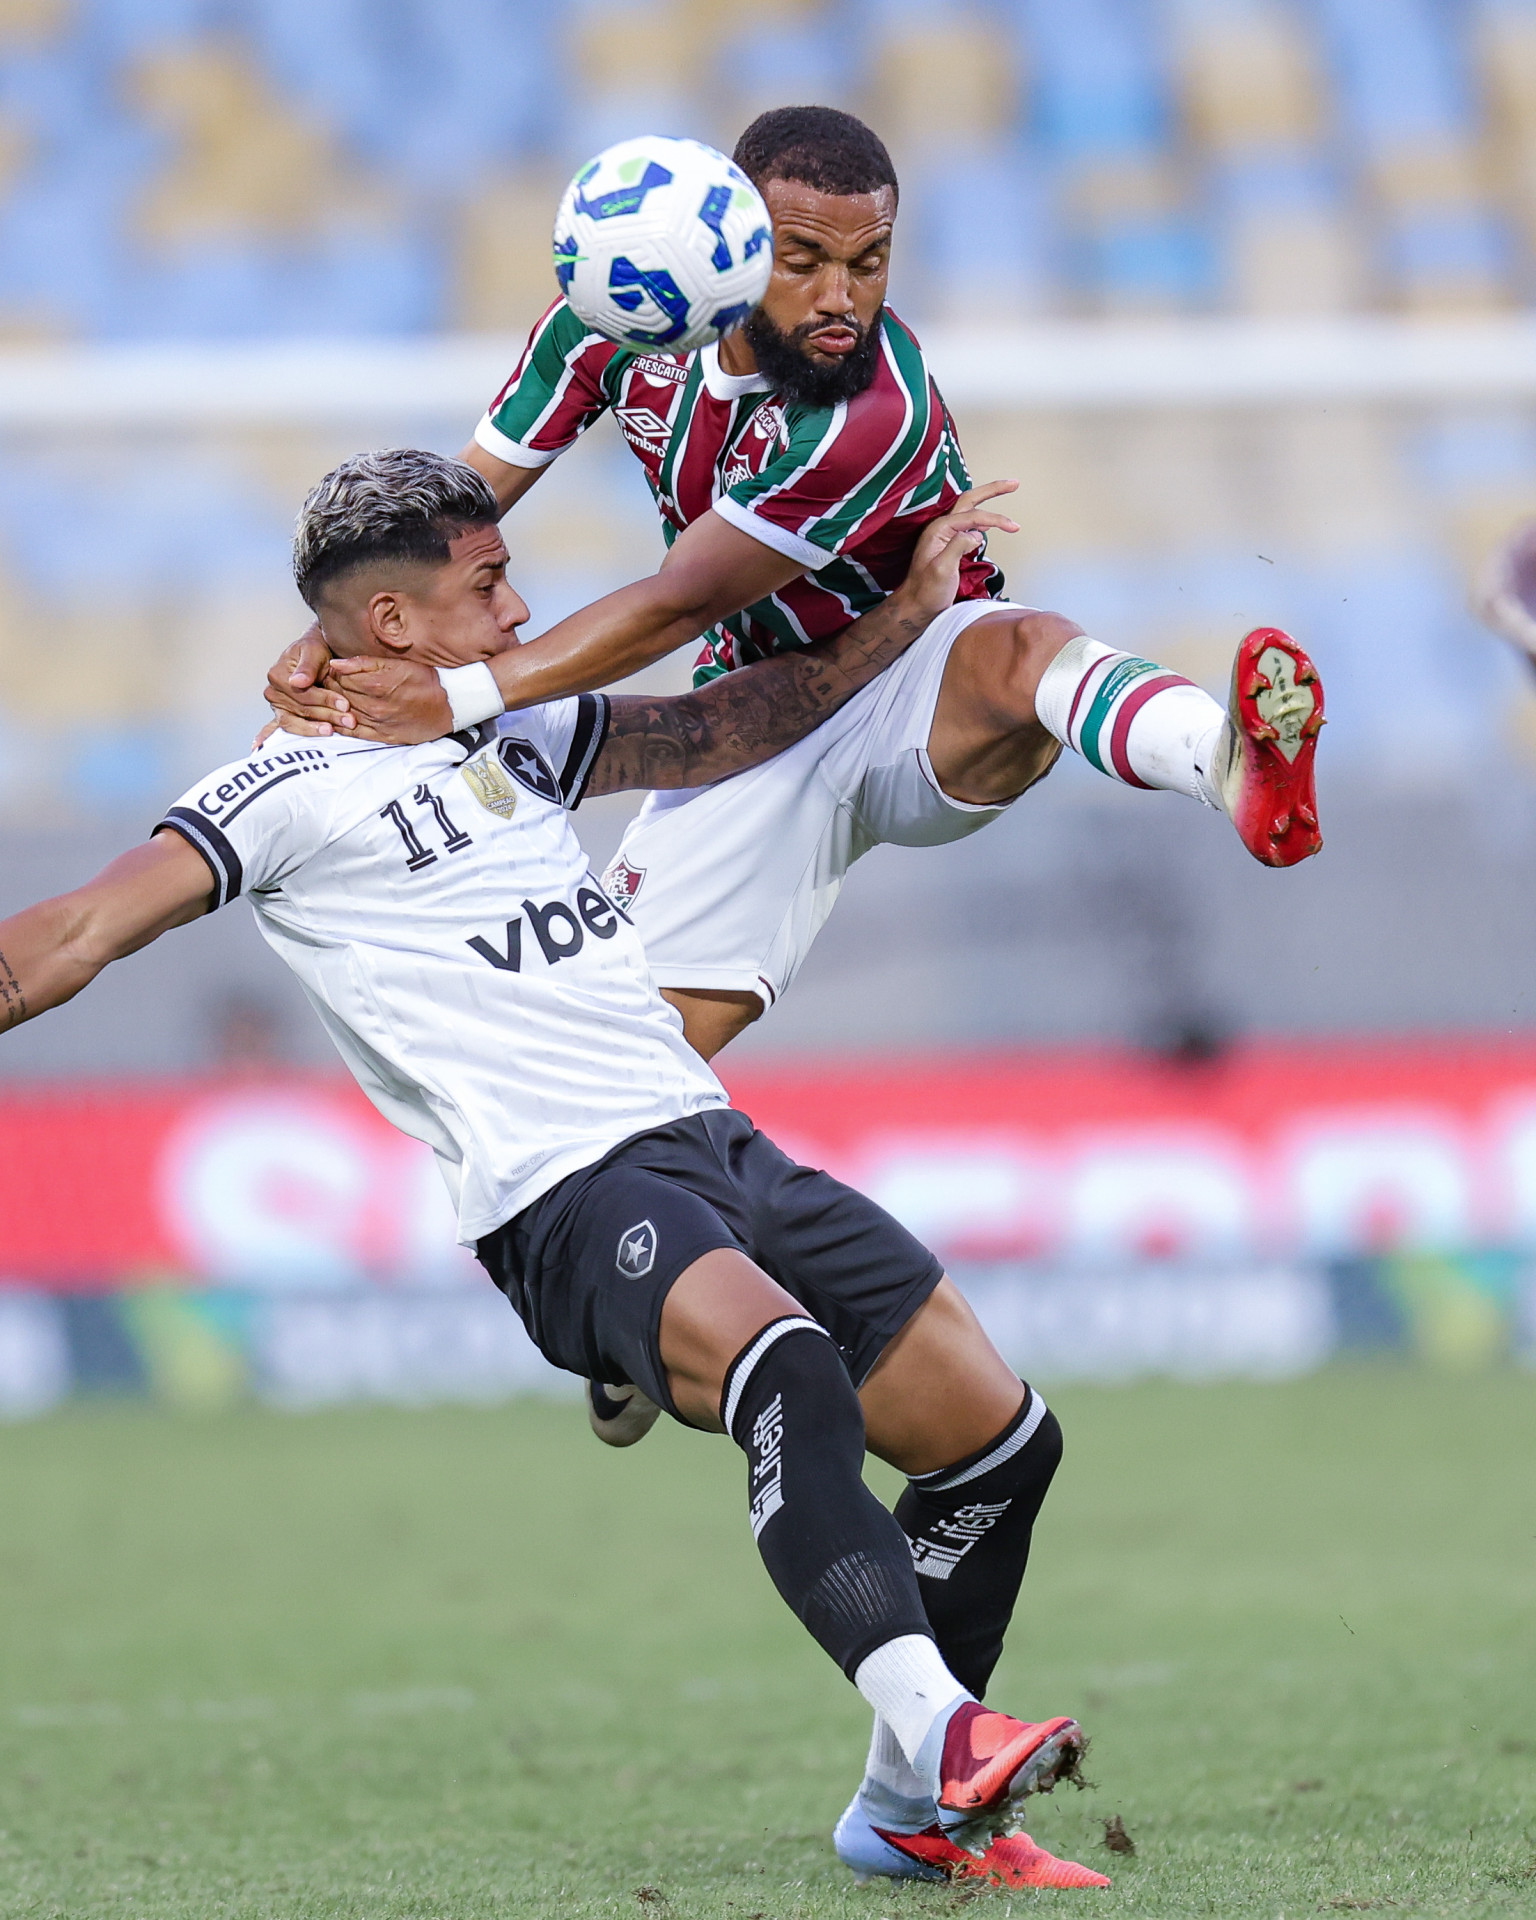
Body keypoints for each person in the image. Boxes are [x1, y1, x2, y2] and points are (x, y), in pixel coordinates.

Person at [0, 451, 1109, 1892]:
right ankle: (946, 1727)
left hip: (705, 1136)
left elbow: (723, 726)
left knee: (999, 1446)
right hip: (562, 1193)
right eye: (490, 584)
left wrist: (907, 615)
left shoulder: (512, 731)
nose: (521, 611)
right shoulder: (279, 790)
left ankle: (907, 1808)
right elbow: (73, 933)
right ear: (391, 622)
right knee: (789, 1368)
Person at [264, 105, 1326, 1066]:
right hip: (750, 719)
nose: (840, 299)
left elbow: (683, 599)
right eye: (804, 260)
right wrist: (344, 627)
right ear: (733, 245)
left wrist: (453, 695)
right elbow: (455, 513)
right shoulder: (609, 322)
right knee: (622, 1066)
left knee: (1024, 648)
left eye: (870, 262)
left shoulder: (871, 412)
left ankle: (1230, 764)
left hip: (915, 671)